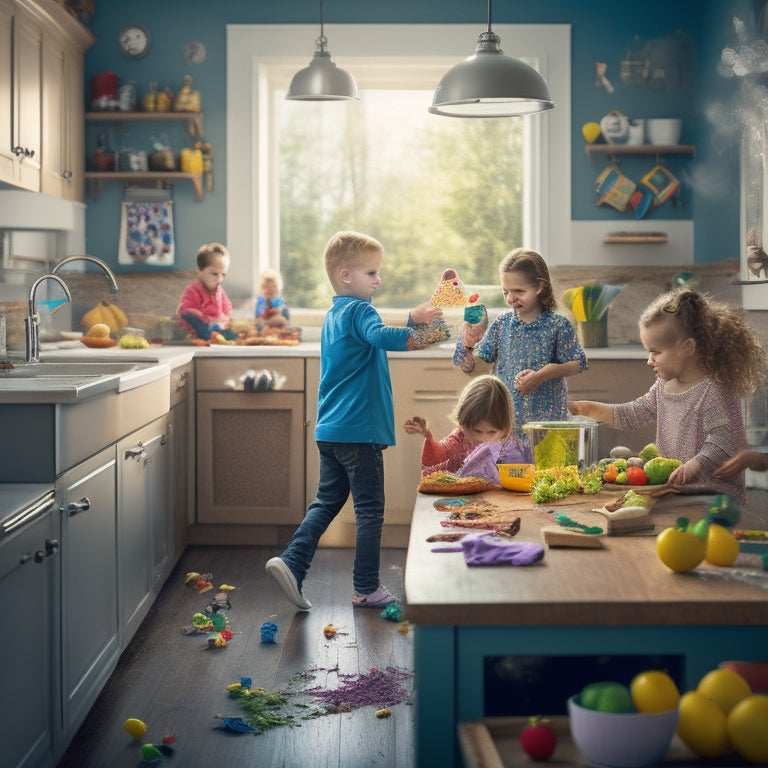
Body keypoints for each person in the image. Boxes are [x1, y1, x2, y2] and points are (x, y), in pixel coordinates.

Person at [266, 230, 442, 611]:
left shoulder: (336, 314)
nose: (379, 280)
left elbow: (368, 334)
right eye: (372, 273)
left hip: (330, 430)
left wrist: (413, 318)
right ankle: (365, 587)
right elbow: (378, 334)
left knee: (326, 502)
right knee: (369, 511)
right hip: (359, 433)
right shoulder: (363, 312)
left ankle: (293, 560)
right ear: (346, 275)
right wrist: (423, 336)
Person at [569, 287, 768, 504]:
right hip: (678, 490)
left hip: (712, 494)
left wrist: (696, 464)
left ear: (687, 347)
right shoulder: (663, 386)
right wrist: (586, 409)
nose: (649, 360)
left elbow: (722, 438)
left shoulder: (712, 389)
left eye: (656, 352)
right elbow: (633, 414)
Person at [453, 248, 587, 427]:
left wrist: (542, 375)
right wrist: (467, 347)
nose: (510, 298)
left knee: (542, 455)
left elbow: (577, 364)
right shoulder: (501, 324)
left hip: (548, 420)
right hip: (506, 421)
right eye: (505, 292)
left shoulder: (558, 325)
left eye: (519, 291)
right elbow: (476, 368)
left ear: (540, 286)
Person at [404, 374, 529, 477]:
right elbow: (438, 458)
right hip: (461, 502)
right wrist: (428, 436)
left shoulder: (508, 444)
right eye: (477, 431)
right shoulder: (458, 441)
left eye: (492, 432)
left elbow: (519, 475)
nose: (483, 438)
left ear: (505, 428)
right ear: (463, 423)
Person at [176, 242, 237, 341]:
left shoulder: (220, 290)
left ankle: (214, 334)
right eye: (214, 274)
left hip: (215, 324)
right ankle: (206, 334)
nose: (219, 279)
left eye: (223, 274)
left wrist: (222, 320)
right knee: (190, 317)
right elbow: (186, 308)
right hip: (198, 322)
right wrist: (205, 318)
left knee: (232, 335)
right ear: (200, 272)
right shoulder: (193, 289)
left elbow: (227, 308)